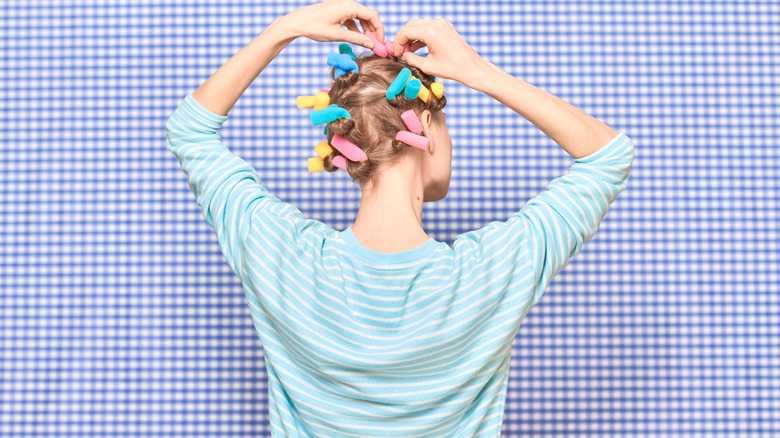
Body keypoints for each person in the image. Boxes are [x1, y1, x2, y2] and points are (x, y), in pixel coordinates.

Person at [164, 0, 635, 436]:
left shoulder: (278, 253)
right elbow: (608, 156)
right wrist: (479, 71)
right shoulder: (493, 270)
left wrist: (282, 30)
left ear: (342, 147)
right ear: (425, 127)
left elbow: (190, 132)